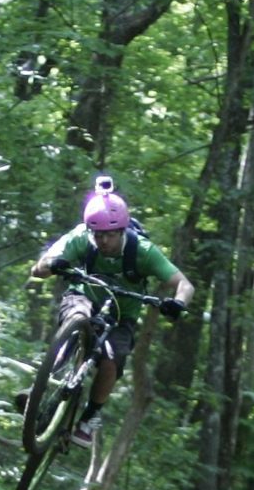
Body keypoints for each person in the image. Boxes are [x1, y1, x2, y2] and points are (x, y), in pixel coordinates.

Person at [28, 174, 195, 447]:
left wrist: (178, 302)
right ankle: (42, 387)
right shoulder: (80, 238)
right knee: (77, 317)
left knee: (111, 360)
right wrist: (52, 265)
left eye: (110, 234)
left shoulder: (142, 251)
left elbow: (184, 284)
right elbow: (39, 268)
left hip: (122, 315)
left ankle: (89, 417)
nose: (103, 241)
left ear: (122, 230)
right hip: (83, 296)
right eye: (98, 234)